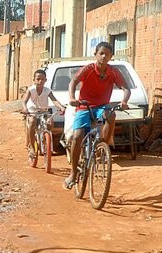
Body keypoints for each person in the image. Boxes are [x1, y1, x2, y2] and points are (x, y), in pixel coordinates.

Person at [63, 41, 130, 190]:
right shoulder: (88, 69)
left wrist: (124, 101)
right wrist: (72, 98)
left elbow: (126, 88)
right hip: (84, 105)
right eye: (101, 53)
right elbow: (73, 81)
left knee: (111, 115)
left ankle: (103, 145)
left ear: (111, 56)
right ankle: (73, 173)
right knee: (78, 136)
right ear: (96, 54)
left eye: (107, 54)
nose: (104, 56)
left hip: (102, 106)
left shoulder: (113, 72)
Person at [21, 69, 66, 161]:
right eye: (38, 79)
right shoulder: (31, 90)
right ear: (34, 80)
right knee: (32, 122)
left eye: (42, 79)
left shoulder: (47, 90)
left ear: (45, 80)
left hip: (44, 111)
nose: (40, 81)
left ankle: (47, 143)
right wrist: (25, 108)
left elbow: (54, 100)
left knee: (50, 122)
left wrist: (61, 107)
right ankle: (32, 147)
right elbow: (24, 101)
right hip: (32, 111)